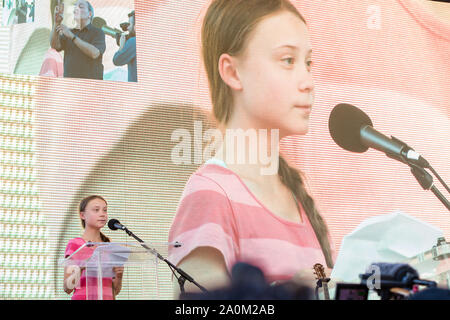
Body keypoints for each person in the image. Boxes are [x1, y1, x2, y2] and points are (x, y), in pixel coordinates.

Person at [168, 0, 334, 296]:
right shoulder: (210, 194)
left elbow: (320, 281)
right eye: (287, 60)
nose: (308, 81)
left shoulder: (297, 195)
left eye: (308, 63)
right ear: (232, 72)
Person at [63, 195, 124, 300]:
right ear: (83, 215)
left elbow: (115, 291)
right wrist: (82, 266)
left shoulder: (109, 247)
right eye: (96, 210)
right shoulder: (75, 244)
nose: (102, 214)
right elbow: (67, 288)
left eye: (104, 210)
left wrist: (119, 276)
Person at [50, 0, 106, 80]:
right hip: (70, 84)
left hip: (91, 85)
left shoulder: (97, 32)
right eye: (75, 6)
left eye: (81, 7)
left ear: (89, 14)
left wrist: (72, 37)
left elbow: (95, 53)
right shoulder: (70, 32)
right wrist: (56, 23)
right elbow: (54, 45)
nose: (76, 9)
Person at [113, 10, 137, 82]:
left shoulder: (133, 42)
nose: (127, 28)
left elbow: (117, 61)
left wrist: (121, 46)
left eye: (129, 24)